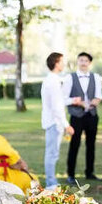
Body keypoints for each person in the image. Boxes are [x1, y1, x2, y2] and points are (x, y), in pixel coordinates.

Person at [62, 52, 102, 183]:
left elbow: (99, 95)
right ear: (77, 62)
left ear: (89, 63)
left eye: (86, 60)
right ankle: (71, 174)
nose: (83, 62)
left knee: (91, 145)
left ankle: (90, 173)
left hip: (91, 115)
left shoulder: (95, 77)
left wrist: (94, 102)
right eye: (81, 60)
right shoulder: (70, 78)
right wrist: (77, 102)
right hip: (76, 116)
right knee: (74, 145)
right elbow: (63, 99)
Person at [41, 52, 74, 189]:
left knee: (53, 153)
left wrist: (73, 100)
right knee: (52, 154)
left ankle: (51, 181)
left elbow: (59, 102)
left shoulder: (52, 79)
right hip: (54, 122)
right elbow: (56, 107)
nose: (64, 63)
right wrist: (67, 125)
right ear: (56, 63)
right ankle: (51, 183)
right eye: (62, 61)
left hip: (54, 121)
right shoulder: (53, 81)